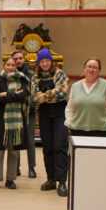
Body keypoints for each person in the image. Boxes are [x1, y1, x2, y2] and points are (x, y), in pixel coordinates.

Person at [31, 48, 69, 197]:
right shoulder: (35, 78)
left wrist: (44, 94)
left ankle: (62, 182)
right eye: (42, 61)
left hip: (60, 114)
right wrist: (52, 91)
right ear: (39, 63)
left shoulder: (60, 74)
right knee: (47, 147)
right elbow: (35, 98)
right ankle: (51, 179)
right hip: (45, 114)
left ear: (51, 61)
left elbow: (62, 93)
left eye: (47, 61)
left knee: (59, 146)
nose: (45, 63)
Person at [0, 56, 30, 189]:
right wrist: (11, 94)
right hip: (1, 120)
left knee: (14, 152)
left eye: (13, 65)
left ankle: (10, 179)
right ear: (4, 66)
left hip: (17, 122)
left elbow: (22, 96)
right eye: (8, 65)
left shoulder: (22, 79)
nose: (11, 67)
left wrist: (4, 94)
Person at [65, 57, 106, 137]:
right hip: (77, 131)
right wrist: (69, 122)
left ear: (99, 71)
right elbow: (70, 108)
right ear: (84, 68)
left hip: (101, 131)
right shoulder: (75, 86)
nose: (91, 69)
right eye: (89, 66)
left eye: (95, 67)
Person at [10, 49, 38, 179]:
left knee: (30, 140)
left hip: (29, 112)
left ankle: (32, 168)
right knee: (15, 139)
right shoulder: (10, 75)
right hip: (14, 111)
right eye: (15, 59)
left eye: (20, 58)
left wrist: (29, 104)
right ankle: (16, 167)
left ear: (24, 59)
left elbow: (35, 93)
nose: (18, 60)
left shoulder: (32, 75)